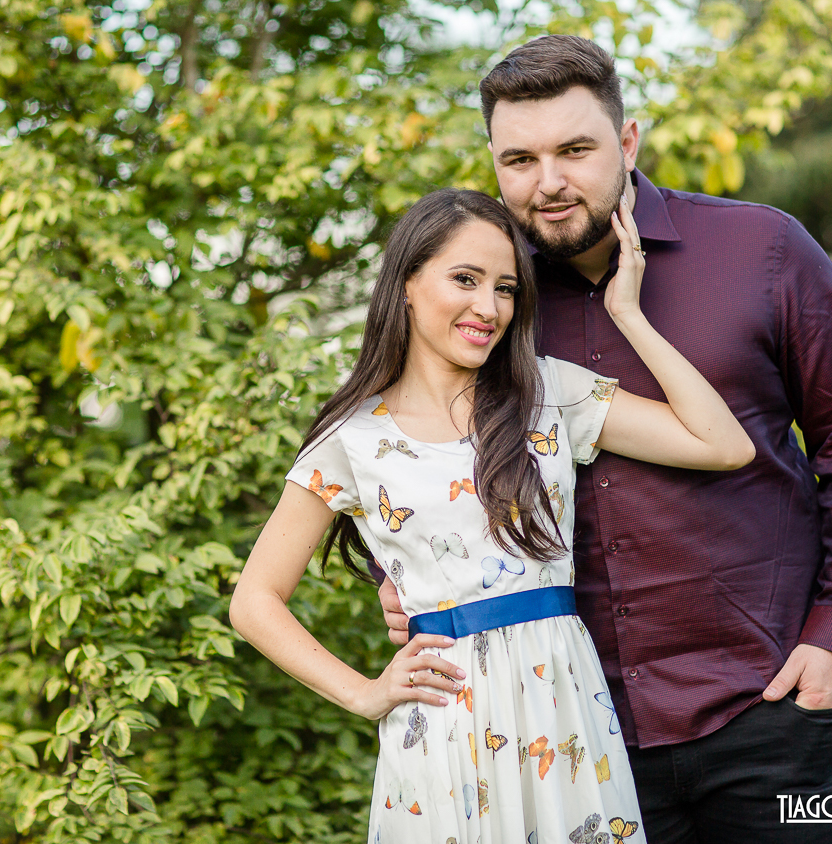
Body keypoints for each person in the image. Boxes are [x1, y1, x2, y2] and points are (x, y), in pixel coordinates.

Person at [376, 35, 832, 842]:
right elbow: (423, 442)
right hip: (570, 730)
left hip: (770, 711)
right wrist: (405, 573)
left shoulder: (763, 251)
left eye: (576, 150)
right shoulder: (485, 303)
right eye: (518, 159)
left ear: (627, 143)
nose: (548, 182)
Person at [230, 187, 754, 843]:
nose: (489, 307)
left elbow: (725, 446)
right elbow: (254, 600)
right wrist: (364, 693)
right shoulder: (353, 440)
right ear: (408, 284)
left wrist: (629, 315)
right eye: (465, 279)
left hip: (563, 718)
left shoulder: (548, 394)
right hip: (443, 730)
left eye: (505, 288)